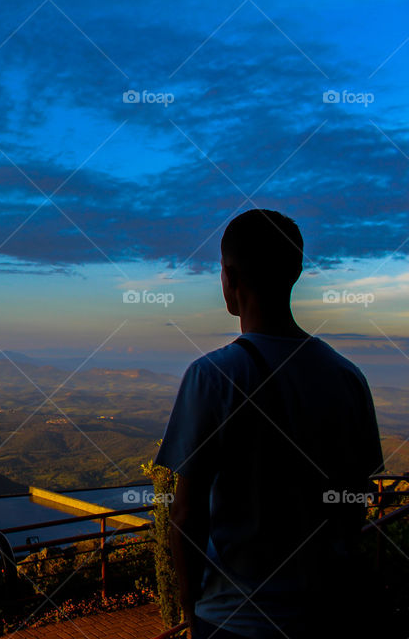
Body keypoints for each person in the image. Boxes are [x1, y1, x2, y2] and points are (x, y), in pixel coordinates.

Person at [155, 209, 383, 638]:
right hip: (327, 615)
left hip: (234, 619)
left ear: (229, 278)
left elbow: (185, 514)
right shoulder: (347, 376)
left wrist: (189, 611)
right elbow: (354, 501)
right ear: (295, 273)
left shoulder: (213, 376)